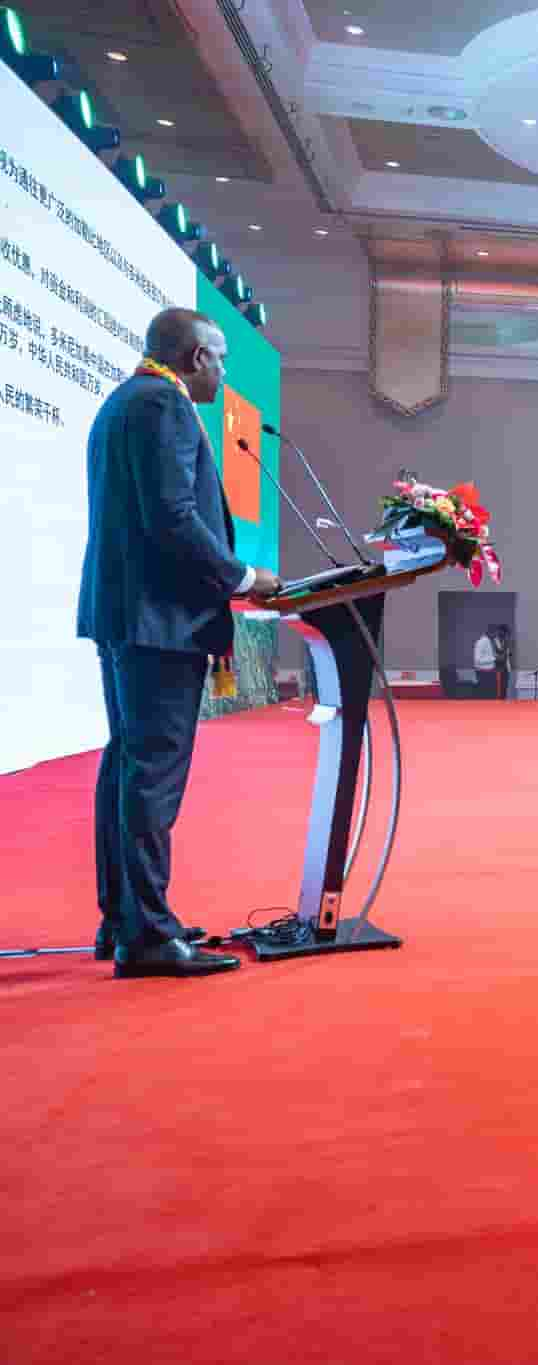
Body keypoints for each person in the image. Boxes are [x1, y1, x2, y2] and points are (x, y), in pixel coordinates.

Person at [80, 306, 280, 977]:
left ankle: (127, 919)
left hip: (125, 616)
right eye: (221, 359)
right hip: (160, 622)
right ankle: (148, 936)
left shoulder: (121, 403)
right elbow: (173, 518)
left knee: (129, 767)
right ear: (196, 357)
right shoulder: (164, 405)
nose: (225, 374)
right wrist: (243, 576)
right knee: (153, 777)